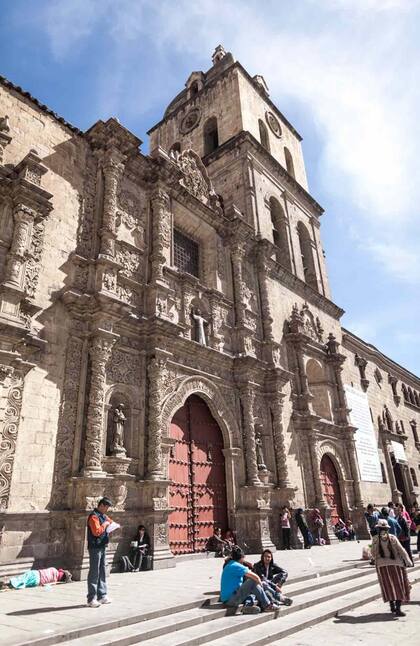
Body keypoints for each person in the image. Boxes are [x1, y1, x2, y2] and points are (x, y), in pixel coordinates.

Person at [371, 518, 412, 616]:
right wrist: (408, 561)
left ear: (378, 529)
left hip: (382, 567)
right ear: (387, 529)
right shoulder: (392, 538)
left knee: (388, 586)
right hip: (396, 565)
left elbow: (373, 553)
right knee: (398, 586)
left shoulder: (375, 539)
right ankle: (398, 609)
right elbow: (401, 550)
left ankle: (392, 606)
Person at [220, 546, 278, 614]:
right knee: (252, 581)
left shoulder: (230, 564)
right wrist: (261, 587)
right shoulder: (236, 566)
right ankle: (267, 605)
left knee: (252, 592)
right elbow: (256, 577)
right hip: (230, 600)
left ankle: (248, 607)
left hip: (229, 599)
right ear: (241, 558)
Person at [86, 496, 115, 608]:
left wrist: (111, 525)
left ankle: (102, 595)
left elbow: (110, 522)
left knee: (102, 570)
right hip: (95, 547)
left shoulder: (103, 516)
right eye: (106, 507)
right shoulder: (94, 516)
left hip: (102, 546)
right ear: (101, 505)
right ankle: (91, 598)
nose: (107, 510)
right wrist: (105, 525)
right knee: (94, 572)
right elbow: (96, 531)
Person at [0, 567, 72, 591]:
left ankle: (7, 582)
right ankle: (9, 586)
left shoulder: (53, 569)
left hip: (36, 574)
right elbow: (46, 585)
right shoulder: (55, 580)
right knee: (24, 583)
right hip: (37, 582)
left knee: (21, 578)